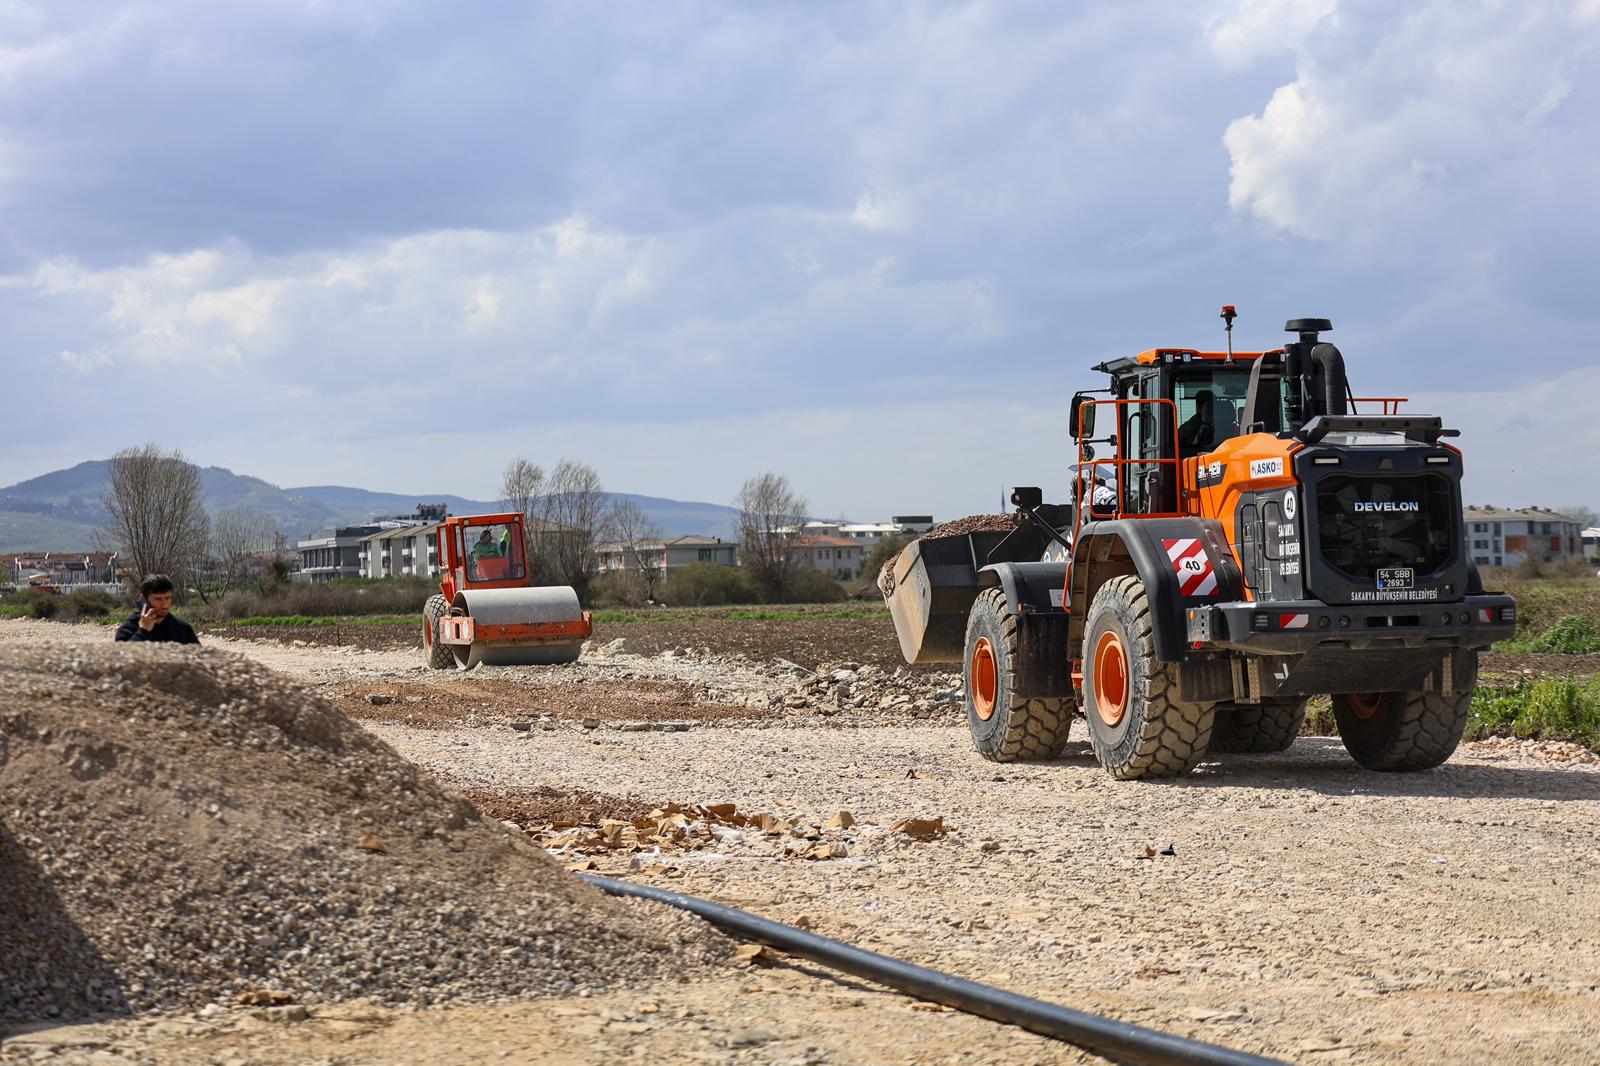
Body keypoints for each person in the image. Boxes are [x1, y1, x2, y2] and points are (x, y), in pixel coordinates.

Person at [114, 574, 200, 645]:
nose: (164, 604)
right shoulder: (129, 628)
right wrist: (143, 632)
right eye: (158, 599)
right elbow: (121, 659)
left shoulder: (183, 629)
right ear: (143, 599)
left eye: (167, 598)